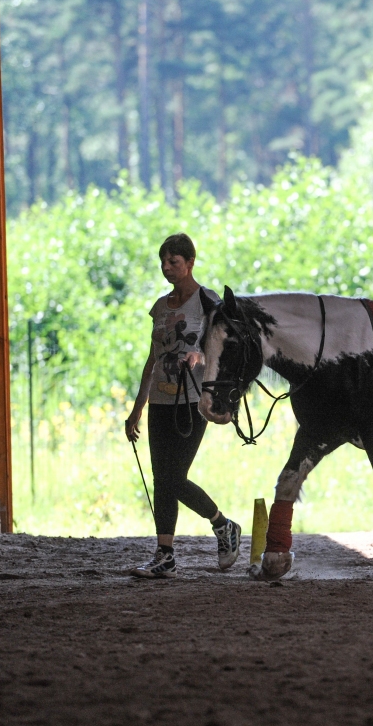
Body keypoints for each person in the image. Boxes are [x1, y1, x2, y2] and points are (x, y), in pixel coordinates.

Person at [125, 233, 241, 578]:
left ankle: (223, 525)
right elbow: (153, 359)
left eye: (173, 261)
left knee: (173, 478)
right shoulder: (161, 307)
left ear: (190, 263)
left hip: (192, 399)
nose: (166, 267)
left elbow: (222, 347)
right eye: (163, 261)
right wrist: (137, 407)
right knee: (162, 478)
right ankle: (165, 555)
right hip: (161, 400)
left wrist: (199, 356)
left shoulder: (208, 301)